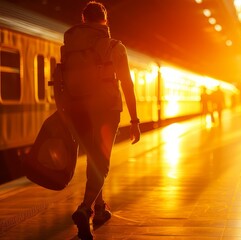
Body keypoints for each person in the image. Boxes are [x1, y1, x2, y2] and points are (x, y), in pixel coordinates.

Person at [63, 2, 141, 239]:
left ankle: (99, 209)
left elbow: (60, 79)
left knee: (92, 159)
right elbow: (127, 83)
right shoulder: (115, 46)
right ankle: (85, 208)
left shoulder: (69, 46)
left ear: (83, 20)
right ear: (105, 20)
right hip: (106, 109)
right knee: (102, 161)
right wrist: (134, 119)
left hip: (76, 108)